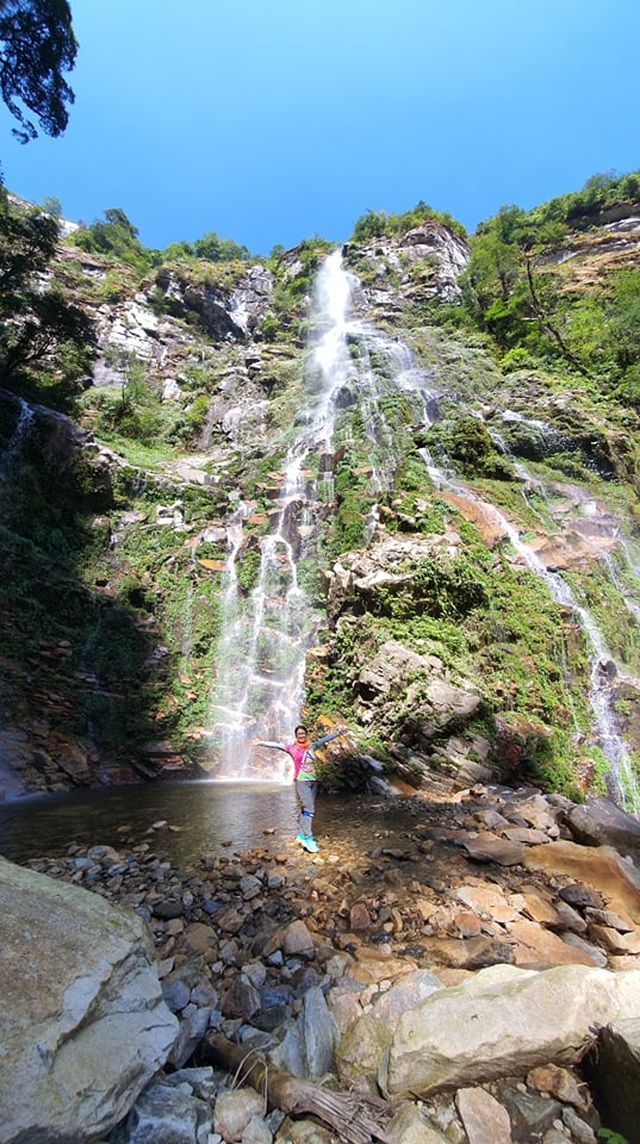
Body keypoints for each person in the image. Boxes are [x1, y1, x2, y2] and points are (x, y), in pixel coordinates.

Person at [256, 723, 345, 853]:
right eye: (299, 734)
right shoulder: (291, 748)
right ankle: (308, 839)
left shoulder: (312, 746)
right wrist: (260, 743)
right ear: (296, 736)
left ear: (306, 734)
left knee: (305, 808)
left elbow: (325, 739)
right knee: (310, 809)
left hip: (313, 781)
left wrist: (338, 734)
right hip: (301, 781)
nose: (301, 736)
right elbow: (276, 745)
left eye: (303, 733)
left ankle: (302, 835)